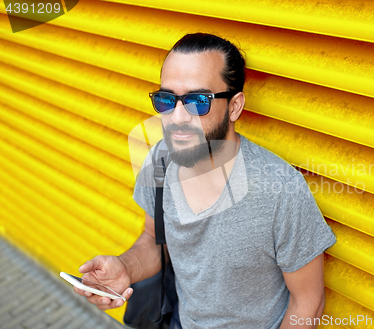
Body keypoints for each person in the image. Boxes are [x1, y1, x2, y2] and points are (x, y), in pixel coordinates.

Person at [74, 33, 336, 329]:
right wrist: (125, 268)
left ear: (235, 106)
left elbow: (309, 304)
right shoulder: (160, 159)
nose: (178, 117)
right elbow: (154, 240)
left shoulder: (279, 189)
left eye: (198, 101)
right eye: (167, 99)